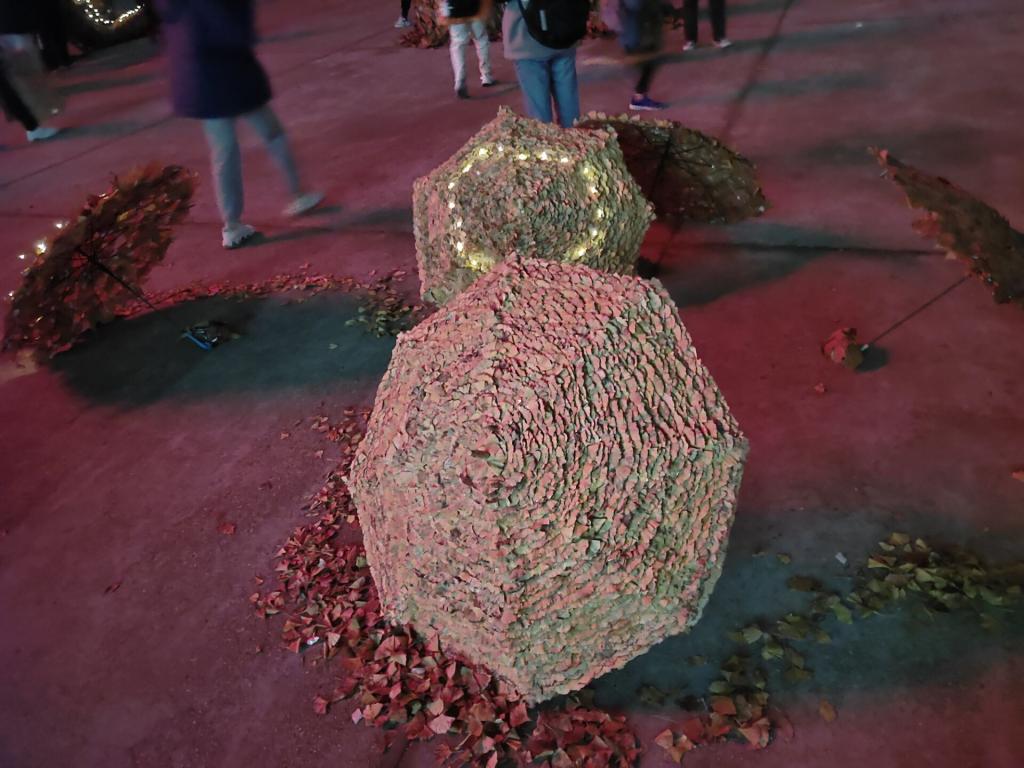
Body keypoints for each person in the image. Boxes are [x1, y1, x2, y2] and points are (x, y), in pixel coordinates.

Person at [154, 0, 323, 249]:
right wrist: (244, 35)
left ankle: (232, 224)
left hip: (198, 73)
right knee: (270, 133)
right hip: (227, 69)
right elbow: (226, 25)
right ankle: (297, 194)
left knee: (224, 149)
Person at [502, 0, 580, 127]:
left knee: (540, 114)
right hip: (563, 29)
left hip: (526, 38)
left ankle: (547, 137)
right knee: (569, 105)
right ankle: (573, 135)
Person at [0, 1, 61, 141]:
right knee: (11, 86)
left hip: (11, 28)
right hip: (12, 28)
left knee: (10, 85)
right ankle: (33, 125)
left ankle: (33, 123)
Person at [440, 0, 494, 99]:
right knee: (481, 39)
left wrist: (443, 10)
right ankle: (486, 75)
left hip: (456, 9)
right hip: (475, 7)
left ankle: (460, 79)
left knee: (458, 44)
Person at [620, 0, 667, 111]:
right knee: (649, 58)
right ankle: (639, 97)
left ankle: (639, 96)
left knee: (648, 58)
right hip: (639, 30)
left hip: (636, 29)